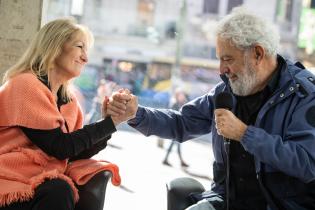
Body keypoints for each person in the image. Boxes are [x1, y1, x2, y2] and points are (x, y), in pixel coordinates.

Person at [106, 7, 315, 210]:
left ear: (258, 54)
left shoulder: (305, 95)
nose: (221, 69)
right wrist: (136, 114)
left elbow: (308, 163)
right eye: (220, 59)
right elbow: (182, 123)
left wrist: (244, 134)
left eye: (228, 59)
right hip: (225, 201)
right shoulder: (227, 90)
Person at [0, 18, 134, 210]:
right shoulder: (25, 84)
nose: (85, 58)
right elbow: (60, 147)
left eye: (86, 51)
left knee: (67, 187)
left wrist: (109, 121)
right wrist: (109, 123)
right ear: (54, 47)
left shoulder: (69, 102)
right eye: (80, 47)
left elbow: (74, 153)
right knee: (59, 190)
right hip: (8, 181)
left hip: (38, 181)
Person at [162, 88, 189, 167]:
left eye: (183, 94)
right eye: (181, 95)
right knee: (176, 143)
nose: (182, 96)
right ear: (177, 96)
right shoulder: (174, 104)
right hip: (175, 128)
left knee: (177, 144)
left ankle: (170, 159)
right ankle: (178, 161)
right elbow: (171, 115)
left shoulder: (184, 103)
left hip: (180, 127)